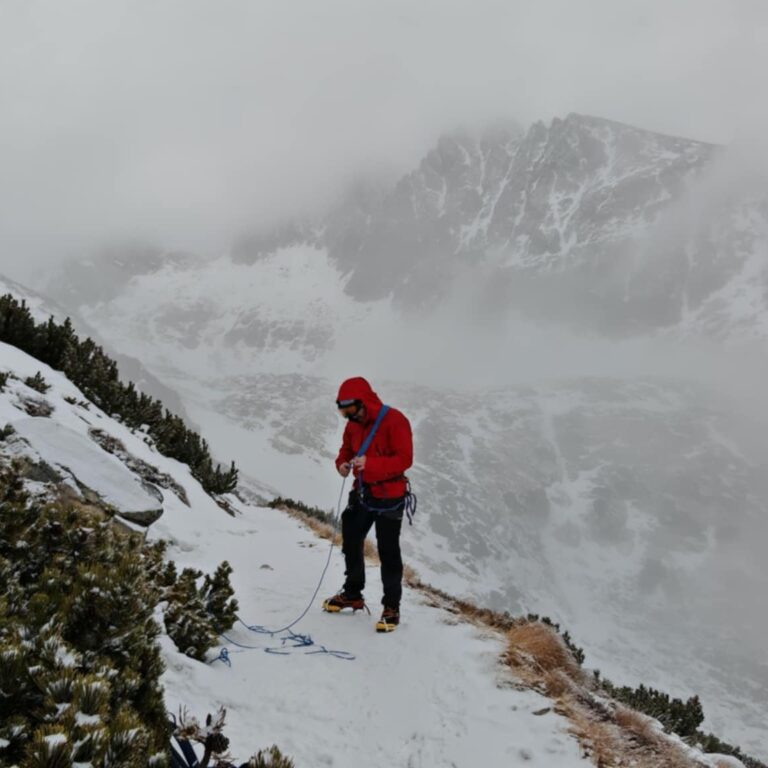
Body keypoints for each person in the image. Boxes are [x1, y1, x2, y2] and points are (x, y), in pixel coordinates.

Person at [322, 376, 413, 632]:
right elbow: (346, 451)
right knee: (351, 538)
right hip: (362, 492)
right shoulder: (354, 425)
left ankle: (391, 607)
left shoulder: (395, 420)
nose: (348, 417)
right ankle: (353, 593)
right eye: (344, 412)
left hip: (390, 496)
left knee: (388, 551)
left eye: (351, 410)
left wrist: (371, 465)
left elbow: (405, 459)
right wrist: (341, 464)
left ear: (364, 402)